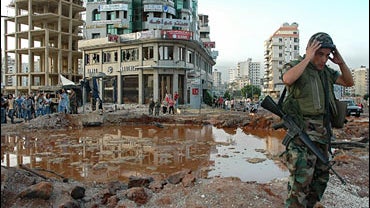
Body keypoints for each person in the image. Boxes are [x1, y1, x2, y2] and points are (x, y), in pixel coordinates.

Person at [281, 32, 354, 208]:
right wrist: (307, 58)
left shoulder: (326, 73)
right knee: (300, 183)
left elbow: (348, 82)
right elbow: (287, 79)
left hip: (322, 135)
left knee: (320, 179)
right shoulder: (296, 66)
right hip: (302, 136)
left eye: (326, 55)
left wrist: (340, 62)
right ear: (309, 50)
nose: (323, 59)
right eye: (319, 54)